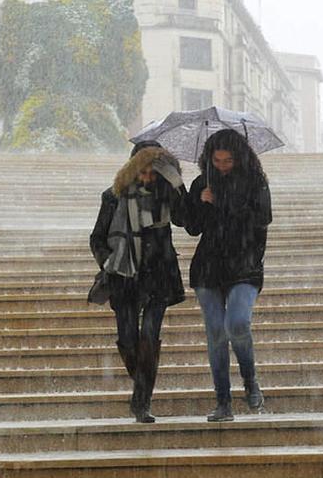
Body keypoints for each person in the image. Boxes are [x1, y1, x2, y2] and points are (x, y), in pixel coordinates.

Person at [90, 141, 187, 423]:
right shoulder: (112, 197)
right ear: (132, 169)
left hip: (159, 277)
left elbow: (187, 222)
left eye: (153, 172)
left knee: (149, 337)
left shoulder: (168, 196)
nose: (147, 178)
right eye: (142, 172)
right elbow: (97, 238)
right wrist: (109, 262)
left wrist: (177, 184)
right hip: (123, 276)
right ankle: (143, 383)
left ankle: (141, 402)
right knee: (128, 339)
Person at [184, 129, 272, 422]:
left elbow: (262, 220)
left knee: (237, 323)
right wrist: (199, 200)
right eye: (217, 160)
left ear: (240, 158)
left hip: (244, 266)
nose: (222, 165)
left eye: (228, 160)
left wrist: (223, 202)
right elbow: (192, 227)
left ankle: (250, 380)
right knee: (216, 333)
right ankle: (223, 401)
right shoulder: (202, 182)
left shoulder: (255, 183)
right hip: (208, 267)